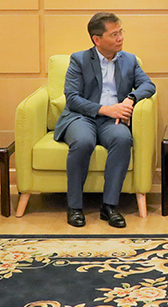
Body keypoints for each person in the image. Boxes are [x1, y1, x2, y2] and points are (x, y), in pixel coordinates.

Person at [55, 12, 155, 228]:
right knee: (83, 141)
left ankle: (109, 206)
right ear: (97, 39)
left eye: (121, 32)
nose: (120, 38)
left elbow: (148, 85)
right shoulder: (79, 60)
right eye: (114, 34)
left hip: (113, 121)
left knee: (123, 139)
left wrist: (130, 98)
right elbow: (72, 98)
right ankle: (74, 206)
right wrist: (106, 109)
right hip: (82, 117)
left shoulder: (129, 60)